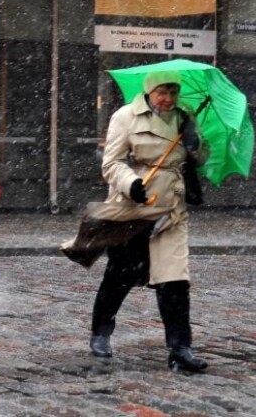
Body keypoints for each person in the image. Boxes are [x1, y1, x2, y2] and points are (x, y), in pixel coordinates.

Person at [88, 71, 210, 373]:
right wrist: (131, 183)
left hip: (172, 209)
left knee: (175, 280)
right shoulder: (125, 117)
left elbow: (201, 158)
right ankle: (101, 330)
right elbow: (112, 163)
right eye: (162, 92)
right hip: (134, 207)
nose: (168, 99)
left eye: (173, 91)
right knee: (121, 274)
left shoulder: (186, 115)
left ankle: (180, 349)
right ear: (149, 90)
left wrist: (195, 145)